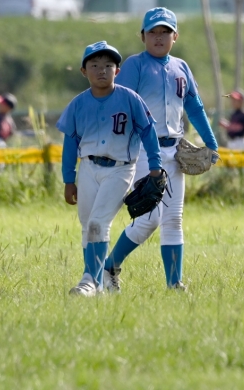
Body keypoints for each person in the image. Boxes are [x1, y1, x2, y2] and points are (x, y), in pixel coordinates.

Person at [102, 7, 219, 292]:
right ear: (142, 36)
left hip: (174, 150)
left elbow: (194, 107)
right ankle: (109, 267)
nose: (158, 37)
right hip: (144, 149)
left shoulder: (181, 67)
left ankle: (174, 283)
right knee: (149, 219)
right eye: (152, 31)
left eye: (165, 31)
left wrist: (211, 142)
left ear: (175, 36)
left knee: (173, 219)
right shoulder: (135, 65)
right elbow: (120, 106)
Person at [57, 41, 163, 297]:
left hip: (120, 169)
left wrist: (155, 166)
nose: (101, 70)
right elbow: (70, 143)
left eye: (108, 65)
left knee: (98, 223)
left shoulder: (130, 99)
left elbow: (148, 132)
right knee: (87, 226)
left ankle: (88, 280)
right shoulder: (78, 103)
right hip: (88, 167)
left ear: (117, 70)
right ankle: (97, 284)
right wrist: (69, 179)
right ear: (84, 71)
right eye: (94, 65)